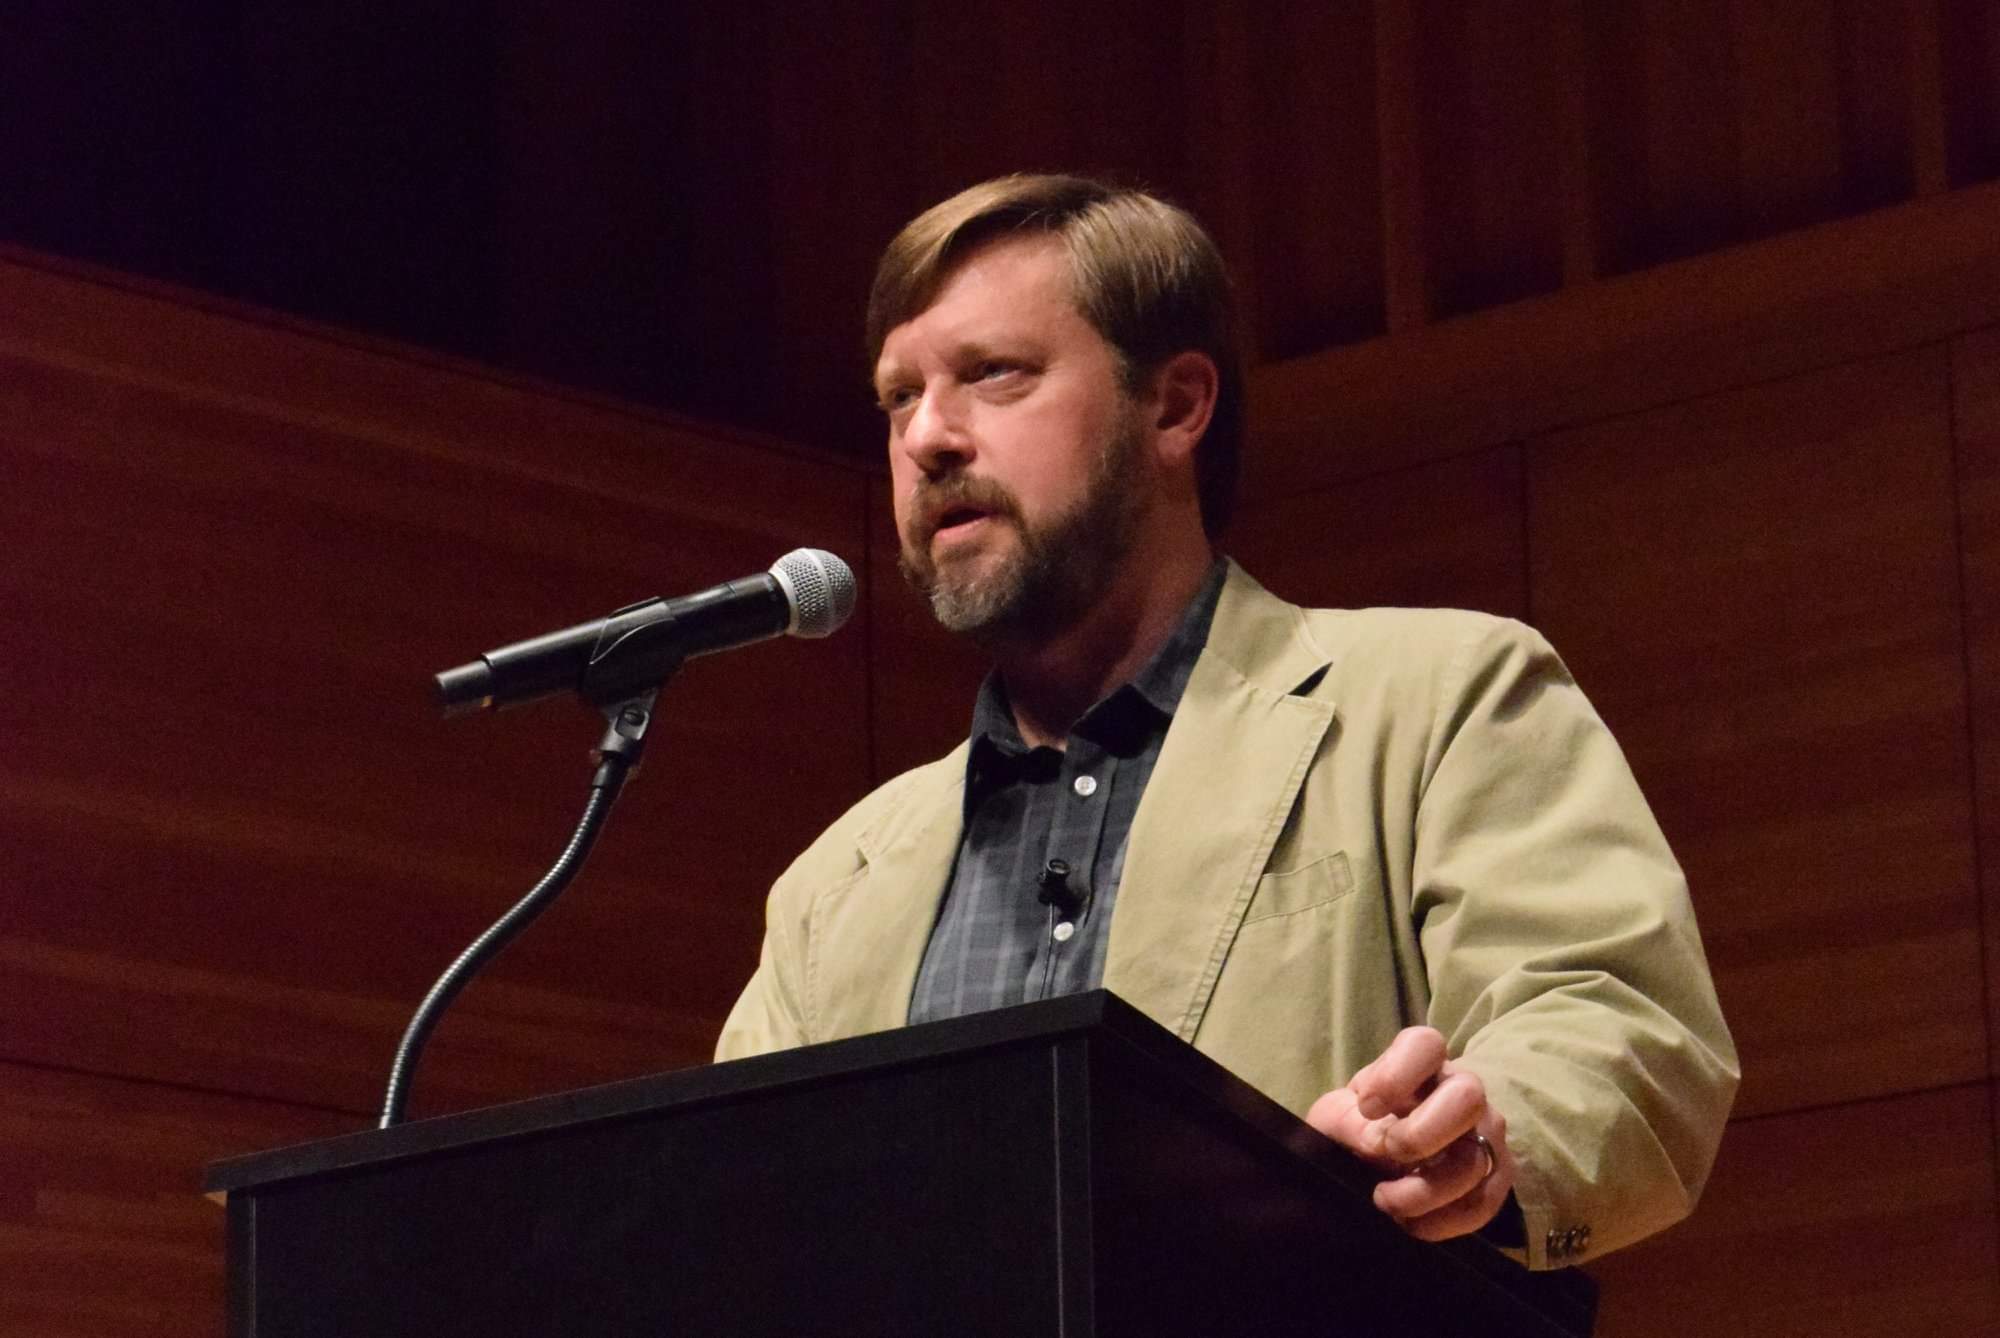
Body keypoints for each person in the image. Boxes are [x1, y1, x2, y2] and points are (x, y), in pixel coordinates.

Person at [716, 174, 1738, 1271]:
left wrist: (1479, 1142)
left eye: (993, 373)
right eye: (897, 397)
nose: (927, 437)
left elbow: (1620, 1030)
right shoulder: (835, 886)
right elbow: (725, 1221)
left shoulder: (1440, 701)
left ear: (1174, 406)